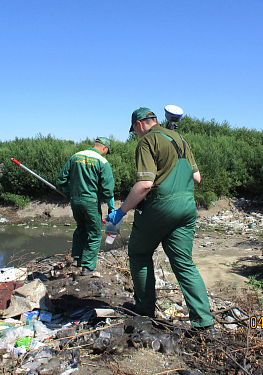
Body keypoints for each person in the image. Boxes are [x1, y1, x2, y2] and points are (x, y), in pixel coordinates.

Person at [106, 107, 215, 335]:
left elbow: (145, 185)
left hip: (161, 206)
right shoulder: (181, 139)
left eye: (135, 131)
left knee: (138, 253)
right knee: (184, 263)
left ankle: (144, 313)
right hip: (187, 207)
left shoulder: (147, 142)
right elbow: (197, 178)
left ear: (139, 124)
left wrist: (122, 211)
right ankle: (204, 324)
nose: (136, 135)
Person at [58, 137, 115, 276]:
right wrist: (111, 208)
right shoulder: (102, 162)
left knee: (81, 228)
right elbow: (108, 189)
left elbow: (62, 178)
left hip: (75, 200)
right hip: (91, 202)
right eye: (106, 151)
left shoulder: (76, 156)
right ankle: (88, 268)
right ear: (104, 148)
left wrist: (67, 191)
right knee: (95, 234)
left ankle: (77, 259)